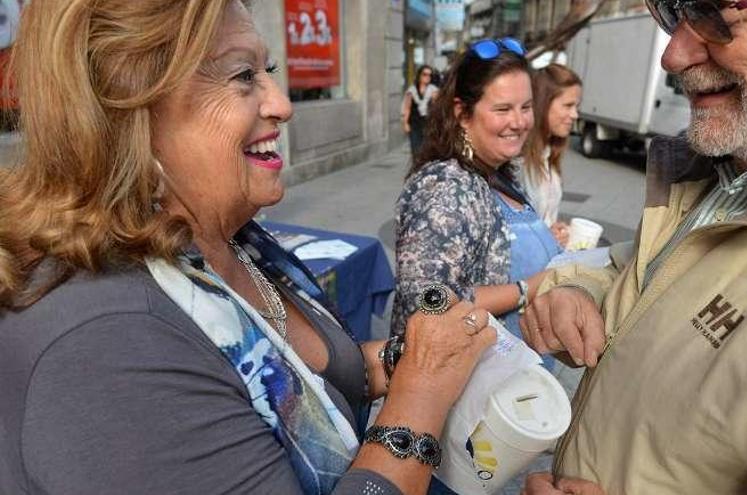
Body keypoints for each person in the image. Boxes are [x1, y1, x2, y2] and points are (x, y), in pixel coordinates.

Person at [0, 2, 497, 494]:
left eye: (270, 69)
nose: (281, 103)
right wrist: (422, 395)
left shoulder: (228, 241)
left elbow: (308, 379)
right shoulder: (107, 343)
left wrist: (432, 351)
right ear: (127, 103)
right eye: (243, 75)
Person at [520, 0, 747, 493]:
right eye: (672, 12)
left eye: (721, 9)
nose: (674, 54)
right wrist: (577, 288)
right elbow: (662, 279)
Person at [392, 38, 573, 368]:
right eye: (503, 109)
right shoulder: (445, 187)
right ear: (462, 114)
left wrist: (547, 240)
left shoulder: (499, 171)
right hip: (468, 394)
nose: (519, 122)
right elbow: (428, 303)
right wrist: (526, 289)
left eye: (526, 107)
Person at [518, 64, 582, 247]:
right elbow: (505, 233)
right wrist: (544, 236)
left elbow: (542, 219)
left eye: (577, 106)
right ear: (543, 104)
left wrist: (556, 229)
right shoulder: (517, 160)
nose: (575, 115)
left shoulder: (549, 155)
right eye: (568, 105)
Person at [401, 64, 439, 156]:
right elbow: (407, 107)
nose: (427, 77)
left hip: (428, 124)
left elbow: (437, 109)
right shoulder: (411, 90)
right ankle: (417, 169)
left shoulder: (434, 90)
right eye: (424, 74)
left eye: (429, 75)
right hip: (414, 124)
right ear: (419, 75)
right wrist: (405, 123)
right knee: (415, 150)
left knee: (427, 150)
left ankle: (424, 169)